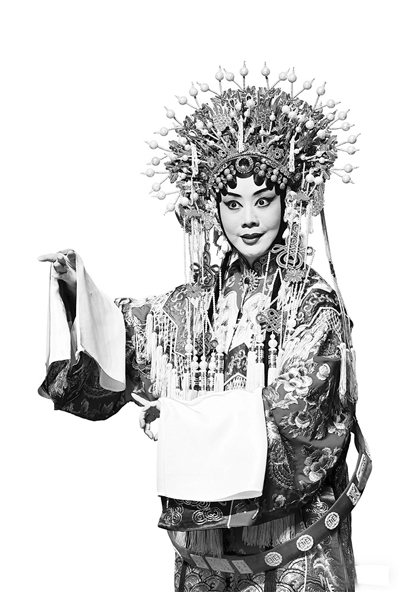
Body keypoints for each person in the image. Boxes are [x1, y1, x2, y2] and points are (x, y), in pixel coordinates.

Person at [37, 63, 371, 592]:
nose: (248, 219)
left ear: (289, 203)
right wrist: (79, 295)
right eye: (233, 204)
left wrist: (181, 422)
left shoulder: (313, 304)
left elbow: (301, 418)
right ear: (212, 210)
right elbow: (126, 340)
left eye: (263, 201)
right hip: (208, 558)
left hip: (293, 548)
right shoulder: (193, 304)